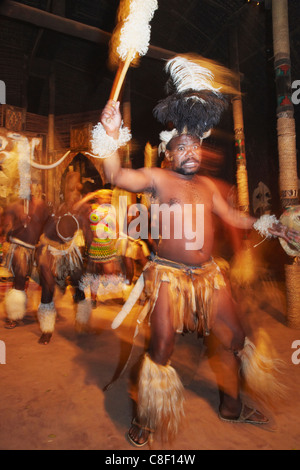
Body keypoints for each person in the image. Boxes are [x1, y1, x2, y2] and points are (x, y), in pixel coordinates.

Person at [93, 54, 296, 447]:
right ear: (169, 152)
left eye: (196, 148)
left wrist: (268, 225)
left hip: (208, 275)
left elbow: (234, 217)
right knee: (163, 346)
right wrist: (110, 134)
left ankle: (232, 406)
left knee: (236, 338)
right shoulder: (157, 178)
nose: (192, 154)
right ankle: (148, 418)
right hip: (167, 274)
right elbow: (115, 174)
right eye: (183, 148)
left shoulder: (206, 187)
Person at [2, 180, 50, 329]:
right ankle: (14, 315)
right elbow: (5, 230)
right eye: (27, 186)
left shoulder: (42, 205)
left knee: (47, 279)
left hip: (35, 247)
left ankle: (48, 311)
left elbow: (48, 225)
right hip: (19, 247)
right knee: (20, 279)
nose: (31, 189)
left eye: (33, 186)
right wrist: (15, 225)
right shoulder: (15, 206)